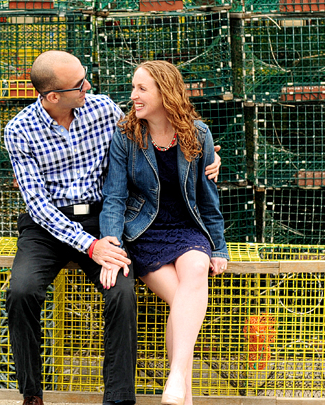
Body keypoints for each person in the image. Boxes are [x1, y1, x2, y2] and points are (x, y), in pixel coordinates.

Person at [3, 50, 220, 405]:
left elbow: (154, 130)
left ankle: (119, 398)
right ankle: (32, 393)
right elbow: (38, 206)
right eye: (80, 84)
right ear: (53, 95)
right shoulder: (19, 130)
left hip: (101, 219)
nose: (88, 86)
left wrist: (210, 155)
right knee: (21, 292)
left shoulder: (102, 109)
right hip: (47, 227)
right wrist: (91, 247)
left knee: (121, 292)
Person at [99, 61, 229, 405]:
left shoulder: (198, 133)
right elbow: (114, 197)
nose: (133, 96)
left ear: (164, 92)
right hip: (144, 230)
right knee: (183, 300)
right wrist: (112, 243)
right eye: (133, 88)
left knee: (198, 269)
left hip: (188, 227)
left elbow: (207, 197)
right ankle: (183, 391)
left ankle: (175, 379)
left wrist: (218, 246)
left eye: (141, 88)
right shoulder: (126, 135)